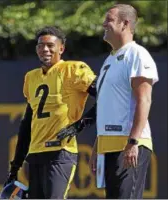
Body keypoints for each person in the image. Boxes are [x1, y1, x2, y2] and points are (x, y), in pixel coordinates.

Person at [57, 4, 159, 199]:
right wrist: (98, 145)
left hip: (128, 145)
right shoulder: (110, 60)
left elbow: (144, 100)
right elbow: (107, 107)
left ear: (125, 24)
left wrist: (133, 142)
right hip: (109, 146)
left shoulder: (137, 54)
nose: (103, 24)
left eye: (109, 20)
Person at [4, 26, 97, 199]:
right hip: (35, 152)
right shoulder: (31, 77)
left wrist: (80, 125)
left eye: (50, 45)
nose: (44, 49)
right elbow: (27, 124)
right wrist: (15, 166)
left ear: (61, 48)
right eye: (40, 45)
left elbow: (107, 97)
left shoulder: (73, 70)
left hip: (60, 151)